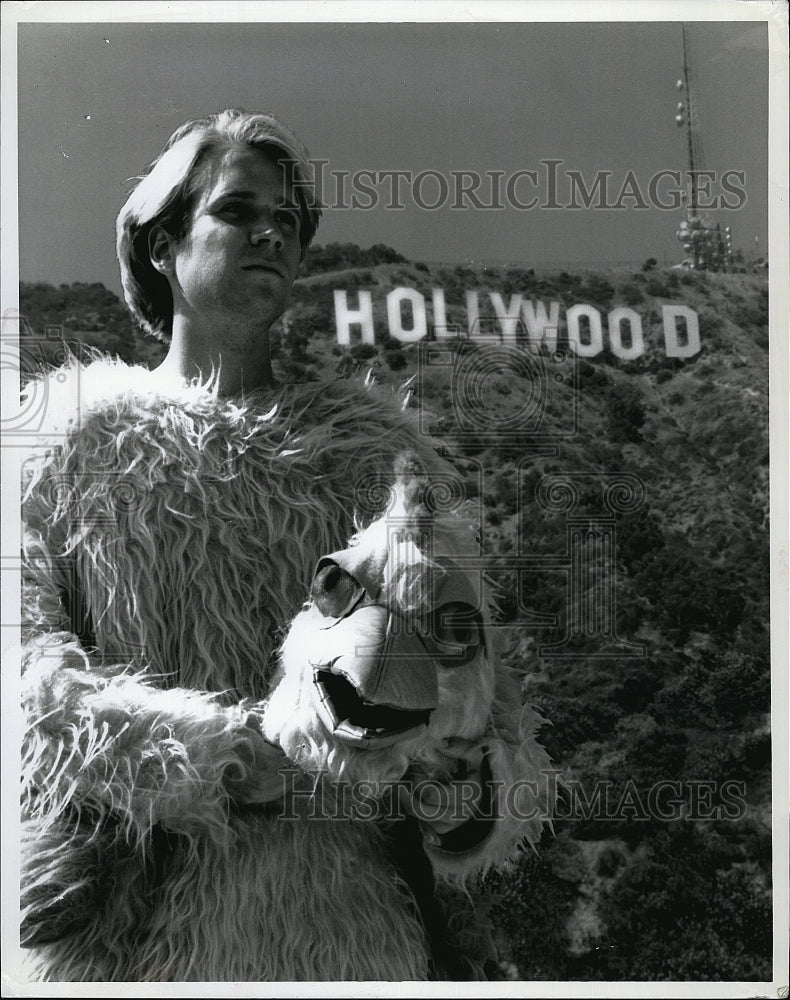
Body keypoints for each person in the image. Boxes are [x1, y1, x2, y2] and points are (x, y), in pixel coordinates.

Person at [19, 108, 551, 982]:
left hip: (356, 932)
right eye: (236, 210)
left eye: (289, 223)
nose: (271, 232)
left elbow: (481, 694)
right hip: (134, 931)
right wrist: (219, 761)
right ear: (162, 243)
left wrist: (458, 773)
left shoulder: (378, 456)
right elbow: (24, 682)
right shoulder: (59, 441)